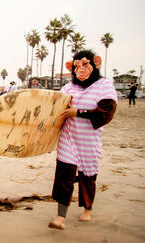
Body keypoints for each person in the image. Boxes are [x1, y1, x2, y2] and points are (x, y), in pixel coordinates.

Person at [48, 50, 117, 230]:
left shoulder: (104, 86)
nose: (81, 69)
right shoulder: (69, 88)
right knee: (64, 174)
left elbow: (106, 113)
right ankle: (60, 217)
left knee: (88, 174)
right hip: (68, 137)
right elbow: (55, 107)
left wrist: (77, 112)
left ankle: (87, 208)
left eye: (85, 64)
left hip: (89, 139)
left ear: (96, 64)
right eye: (77, 65)